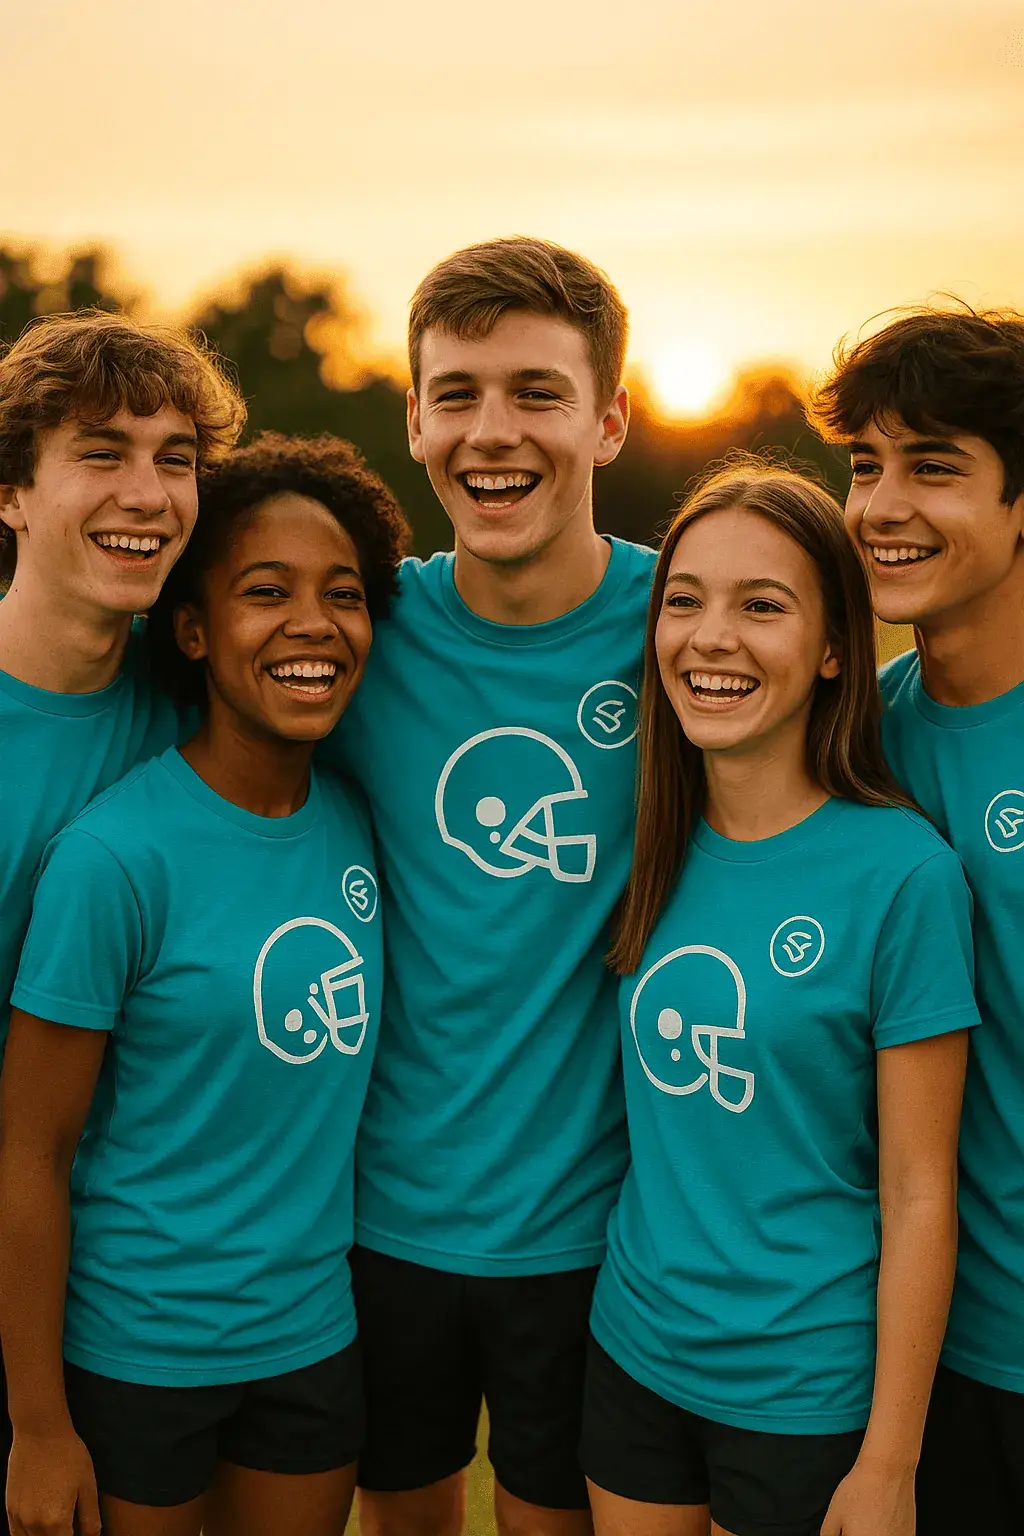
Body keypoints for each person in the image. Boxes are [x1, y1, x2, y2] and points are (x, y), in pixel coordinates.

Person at [0, 433, 409, 1536]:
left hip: (310, 1343)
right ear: (193, 629)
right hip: (137, 1355)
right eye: (264, 592)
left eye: (344, 595)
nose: (312, 624)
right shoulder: (114, 857)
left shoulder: (360, 822)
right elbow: (29, 1150)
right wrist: (39, 1426)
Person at [318, 236, 653, 1536]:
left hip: (596, 1235)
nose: (490, 431)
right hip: (375, 1222)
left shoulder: (683, 624)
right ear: (412, 419)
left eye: (535, 391)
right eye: (455, 393)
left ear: (609, 419)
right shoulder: (361, 634)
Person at [579, 464, 979, 1536]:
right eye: (684, 600)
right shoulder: (646, 841)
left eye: (762, 606)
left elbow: (918, 1189)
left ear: (836, 648)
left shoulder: (902, 875)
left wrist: (890, 1460)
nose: (711, 638)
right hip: (634, 1354)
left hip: (806, 1395)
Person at [0, 308, 245, 1531]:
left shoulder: (207, 696)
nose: (147, 492)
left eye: (176, 457)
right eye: (101, 452)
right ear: (12, 494)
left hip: (155, 1309)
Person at [810, 306, 1024, 1534]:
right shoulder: (855, 741)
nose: (881, 506)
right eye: (863, 467)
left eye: (932, 468)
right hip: (916, 1366)